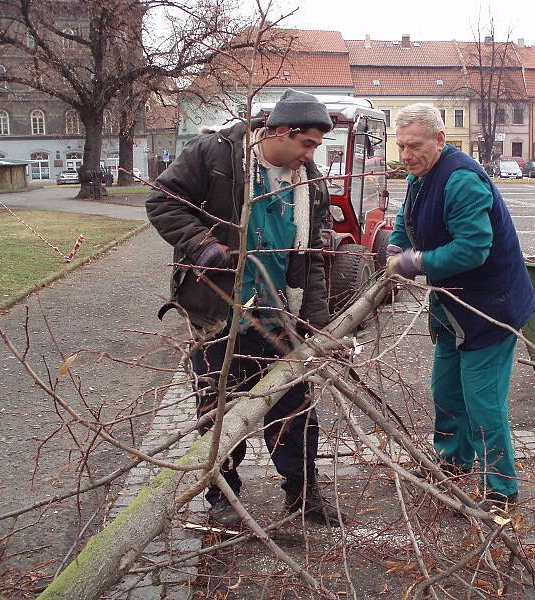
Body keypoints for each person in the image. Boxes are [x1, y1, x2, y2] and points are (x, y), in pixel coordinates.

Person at [146, 89, 341, 526]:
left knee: (294, 407)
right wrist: (202, 244)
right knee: (218, 410)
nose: (311, 155)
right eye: (307, 143)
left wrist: (316, 320)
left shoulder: (307, 179)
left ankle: (303, 493)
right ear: (281, 132)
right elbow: (162, 202)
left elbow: (310, 254)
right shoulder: (216, 155)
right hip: (219, 312)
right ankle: (223, 498)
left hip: (278, 317)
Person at [386, 104, 535, 509]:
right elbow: (407, 218)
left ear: (440, 140)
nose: (406, 155)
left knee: (483, 401)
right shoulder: (419, 176)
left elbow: (474, 248)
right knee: (446, 389)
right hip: (453, 307)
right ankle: (454, 461)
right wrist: (396, 245)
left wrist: (416, 262)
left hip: (491, 307)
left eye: (414, 145)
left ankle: (500, 489)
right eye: (401, 146)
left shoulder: (461, 180)